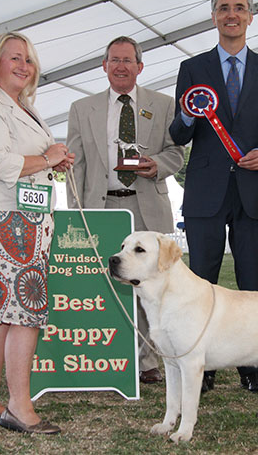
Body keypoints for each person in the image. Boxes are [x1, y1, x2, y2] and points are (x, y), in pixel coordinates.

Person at [169, 0, 258, 394]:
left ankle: (250, 366)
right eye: (224, 8)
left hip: (253, 188)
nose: (231, 14)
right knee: (200, 281)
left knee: (251, 282)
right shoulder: (192, 69)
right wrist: (187, 115)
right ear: (214, 16)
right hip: (205, 189)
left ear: (250, 16)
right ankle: (202, 367)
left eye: (239, 8)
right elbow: (178, 132)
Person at [0, 32, 74, 433]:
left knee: (3, 318)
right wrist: (46, 157)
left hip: (18, 218)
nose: (24, 66)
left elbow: (24, 160)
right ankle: (19, 408)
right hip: (4, 220)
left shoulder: (20, 107)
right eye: (15, 58)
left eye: (29, 59)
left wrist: (49, 163)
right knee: (23, 316)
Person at [66, 36, 185, 384]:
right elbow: (76, 165)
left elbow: (177, 154)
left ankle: (148, 362)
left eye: (127, 60)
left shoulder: (163, 104)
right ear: (104, 65)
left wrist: (156, 164)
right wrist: (77, 213)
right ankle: (108, 357)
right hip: (101, 208)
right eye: (114, 60)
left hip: (147, 205)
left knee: (152, 286)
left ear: (140, 67)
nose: (120, 66)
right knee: (105, 285)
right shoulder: (80, 108)